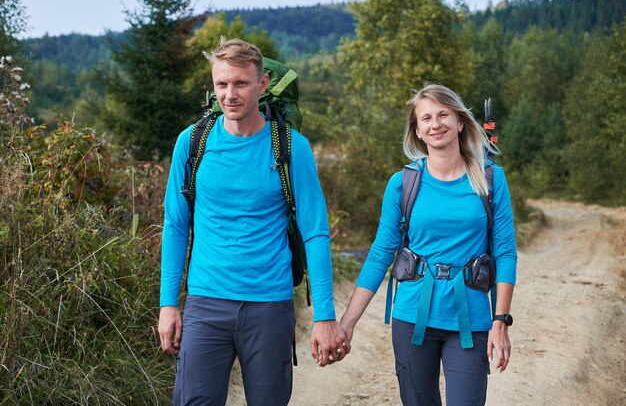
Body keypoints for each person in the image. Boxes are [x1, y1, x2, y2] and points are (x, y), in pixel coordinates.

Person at [158, 37, 348, 406]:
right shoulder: (192, 142)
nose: (230, 94)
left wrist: (325, 315)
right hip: (205, 303)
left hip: (269, 306)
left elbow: (315, 231)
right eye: (222, 84)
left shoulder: (291, 147)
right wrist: (168, 304)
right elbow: (176, 225)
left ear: (261, 85)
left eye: (241, 83)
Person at [340, 83, 517, 406]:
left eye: (443, 115)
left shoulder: (490, 179)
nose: (436, 124)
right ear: (417, 131)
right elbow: (381, 255)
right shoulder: (403, 183)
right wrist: (347, 324)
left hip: (471, 319)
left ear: (460, 121)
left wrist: (500, 321)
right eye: (426, 118)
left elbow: (505, 252)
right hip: (411, 317)